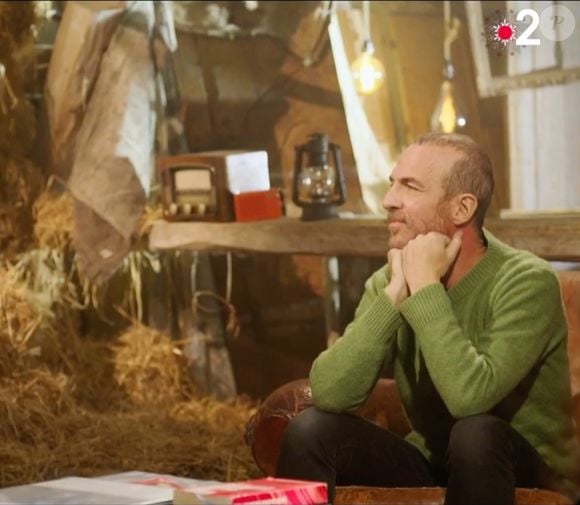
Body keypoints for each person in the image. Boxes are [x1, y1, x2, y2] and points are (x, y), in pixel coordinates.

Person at [275, 132, 580, 505]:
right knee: (310, 429)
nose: (389, 201)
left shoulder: (526, 281)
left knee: (475, 433)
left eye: (410, 187)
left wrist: (424, 289)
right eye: (392, 185)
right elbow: (330, 392)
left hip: (527, 467)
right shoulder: (390, 280)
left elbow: (470, 400)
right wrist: (394, 298)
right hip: (436, 460)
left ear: (461, 209)